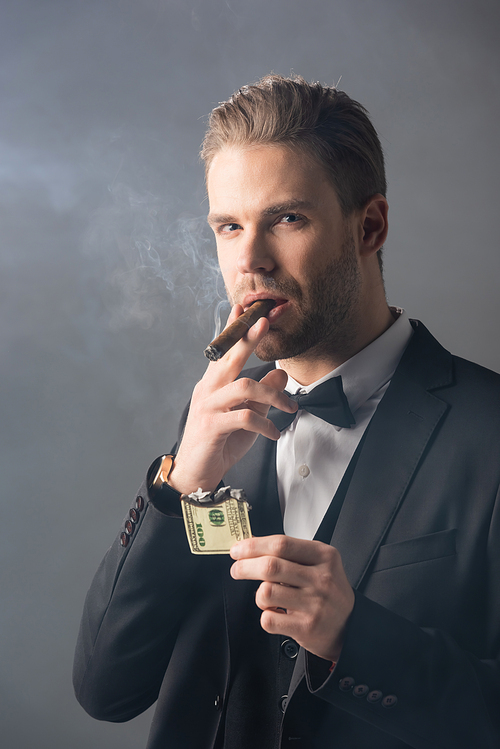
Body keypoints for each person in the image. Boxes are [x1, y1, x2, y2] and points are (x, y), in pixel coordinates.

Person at [73, 75, 500, 748]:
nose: (250, 261)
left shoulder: (488, 430)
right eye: (230, 226)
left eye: (287, 219)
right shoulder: (210, 423)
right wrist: (179, 485)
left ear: (371, 226)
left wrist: (354, 637)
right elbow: (107, 689)